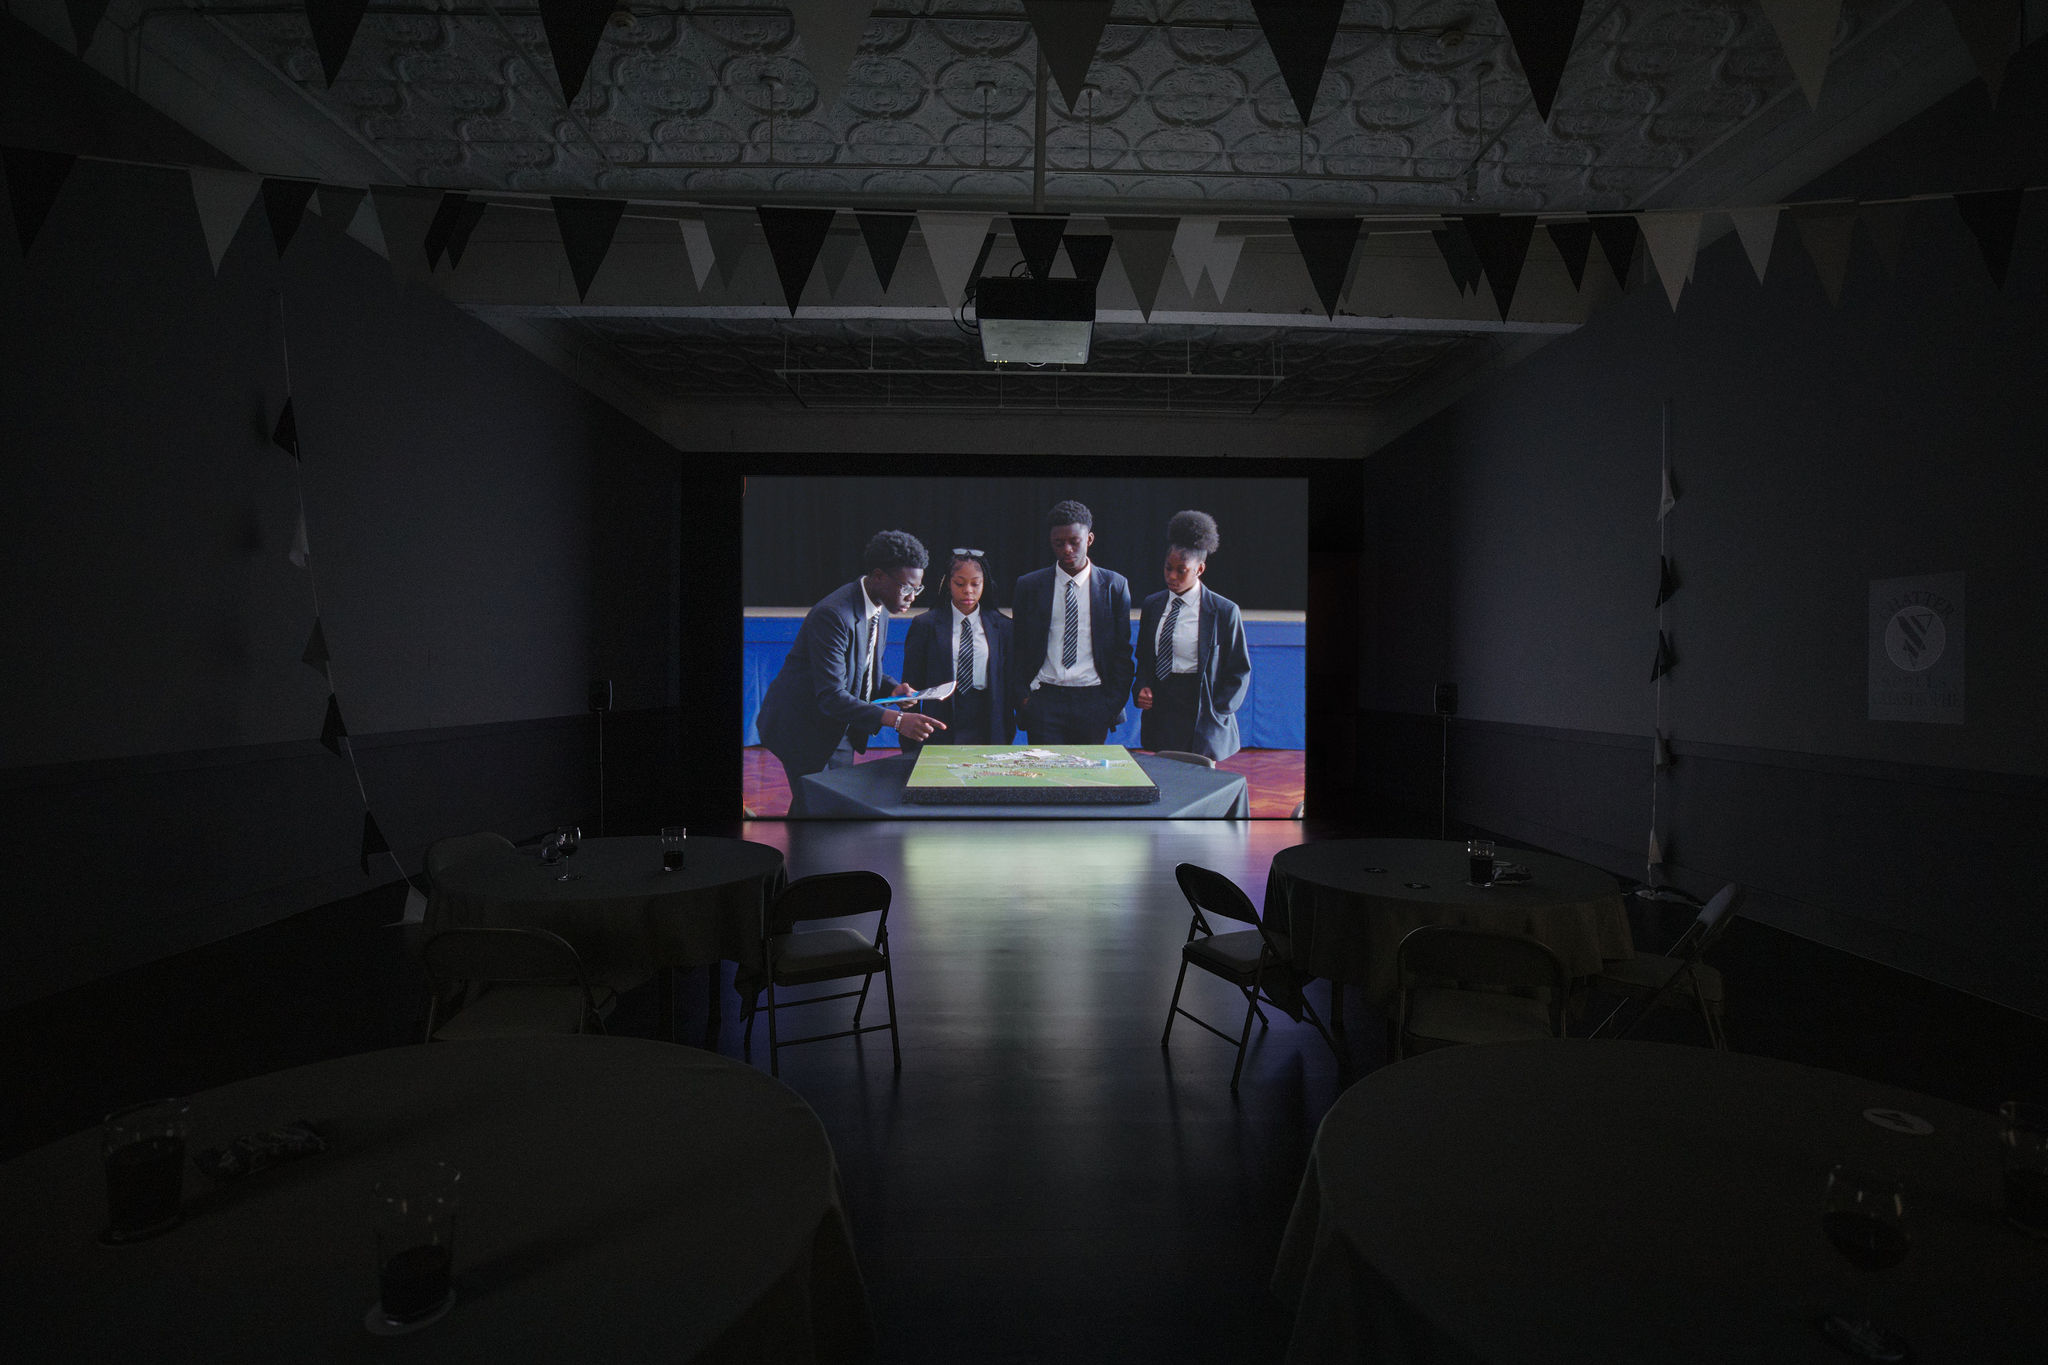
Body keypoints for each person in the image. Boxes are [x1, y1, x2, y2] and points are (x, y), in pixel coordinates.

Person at [755, 530, 946, 808]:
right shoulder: (833, 615)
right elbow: (831, 694)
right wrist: (897, 720)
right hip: (802, 727)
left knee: (829, 808)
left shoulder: (880, 605)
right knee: (816, 809)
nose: (912, 598)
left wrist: (892, 688)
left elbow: (863, 669)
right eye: (906, 588)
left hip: (838, 724)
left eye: (917, 589)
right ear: (878, 576)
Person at [1011, 499, 1134, 746]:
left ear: (1089, 539)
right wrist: (1024, 699)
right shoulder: (1030, 586)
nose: (1067, 549)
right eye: (1059, 543)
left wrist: (1111, 703)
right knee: (1044, 769)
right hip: (1044, 699)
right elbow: (1017, 647)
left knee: (1087, 770)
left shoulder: (1114, 586)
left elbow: (1122, 651)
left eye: (1074, 542)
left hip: (1094, 701)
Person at [1133, 510, 1252, 762]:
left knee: (1201, 777)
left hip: (1201, 708)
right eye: (1168, 568)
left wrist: (1219, 709)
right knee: (1165, 774)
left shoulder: (1224, 610)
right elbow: (1144, 657)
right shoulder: (1153, 605)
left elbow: (1239, 669)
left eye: (1181, 570)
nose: (1172, 576)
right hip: (1163, 707)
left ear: (1199, 569)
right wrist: (1142, 686)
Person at [901, 548, 1014, 752]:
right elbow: (912, 681)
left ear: (985, 583)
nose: (968, 591)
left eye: (975, 584)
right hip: (940, 717)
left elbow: (1009, 682)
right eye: (960, 584)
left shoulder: (1002, 626)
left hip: (986, 716)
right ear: (948, 583)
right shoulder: (926, 624)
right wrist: (910, 733)